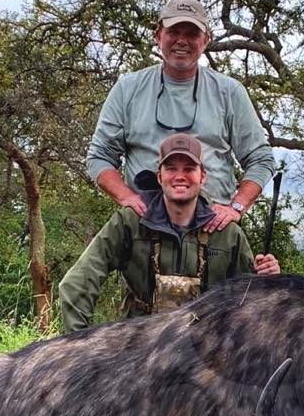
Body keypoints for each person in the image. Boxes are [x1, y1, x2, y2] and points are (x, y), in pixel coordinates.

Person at [86, 0, 275, 235]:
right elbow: (99, 156)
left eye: (192, 34)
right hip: (144, 229)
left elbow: (261, 159)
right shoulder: (128, 88)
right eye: (174, 31)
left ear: (205, 40)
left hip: (212, 230)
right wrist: (127, 198)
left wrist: (236, 208)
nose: (182, 41)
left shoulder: (230, 92)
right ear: (158, 36)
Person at [60, 134, 280, 331]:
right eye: (171, 168)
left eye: (189, 169)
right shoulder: (130, 221)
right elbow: (76, 284)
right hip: (137, 349)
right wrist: (78, 347)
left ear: (202, 176)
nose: (180, 176)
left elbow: (251, 301)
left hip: (205, 351)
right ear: (159, 176)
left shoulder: (226, 231)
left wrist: (269, 281)